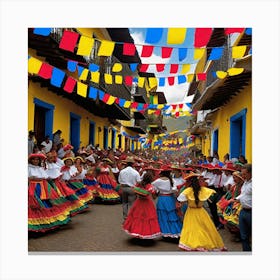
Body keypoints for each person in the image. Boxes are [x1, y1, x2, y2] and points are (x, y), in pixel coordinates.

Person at [177, 173, 226, 251]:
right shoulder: (204, 190)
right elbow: (214, 196)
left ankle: (195, 244)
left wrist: (179, 210)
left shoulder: (187, 191)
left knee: (192, 228)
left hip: (191, 212)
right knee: (204, 228)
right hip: (201, 212)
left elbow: (180, 203)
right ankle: (203, 244)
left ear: (189, 182)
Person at [28, 153, 71, 232]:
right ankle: (38, 224)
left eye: (37, 159)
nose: (35, 161)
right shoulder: (28, 168)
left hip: (43, 186)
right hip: (33, 187)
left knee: (48, 202)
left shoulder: (40, 168)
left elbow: (46, 177)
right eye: (34, 159)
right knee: (36, 203)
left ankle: (52, 222)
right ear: (31, 160)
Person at [122, 172, 161, 239]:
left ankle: (136, 232)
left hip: (139, 202)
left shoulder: (139, 184)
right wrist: (157, 194)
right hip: (147, 203)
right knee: (147, 219)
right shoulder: (150, 186)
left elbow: (135, 190)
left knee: (137, 217)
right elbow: (154, 197)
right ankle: (144, 233)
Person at [151, 165, 182, 238]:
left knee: (163, 216)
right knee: (172, 215)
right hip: (171, 198)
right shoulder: (172, 180)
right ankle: (175, 231)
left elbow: (153, 190)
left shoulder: (158, 181)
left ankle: (165, 232)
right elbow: (175, 190)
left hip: (162, 199)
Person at [234, 164, 252, 251]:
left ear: (251, 173)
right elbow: (243, 194)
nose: (243, 176)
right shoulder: (245, 182)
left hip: (251, 212)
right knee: (243, 236)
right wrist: (235, 199)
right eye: (242, 174)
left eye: (244, 174)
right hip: (243, 211)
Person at [118, 156, 141, 221]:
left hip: (124, 188)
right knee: (132, 204)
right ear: (133, 164)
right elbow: (138, 181)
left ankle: (125, 217)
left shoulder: (122, 171)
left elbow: (119, 181)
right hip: (132, 189)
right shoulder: (135, 172)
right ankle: (132, 218)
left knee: (124, 203)